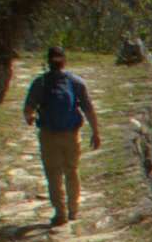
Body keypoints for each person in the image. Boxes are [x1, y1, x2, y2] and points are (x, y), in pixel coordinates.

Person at [22, 42, 100, 226]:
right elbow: (88, 109)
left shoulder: (39, 83)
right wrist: (96, 132)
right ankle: (74, 209)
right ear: (64, 61)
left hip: (49, 135)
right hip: (71, 134)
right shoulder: (76, 82)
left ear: (48, 62)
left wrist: (31, 117)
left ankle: (60, 212)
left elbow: (28, 110)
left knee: (53, 174)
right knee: (71, 171)